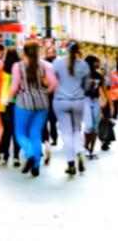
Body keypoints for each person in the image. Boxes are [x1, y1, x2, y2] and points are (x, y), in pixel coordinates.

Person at [9, 42, 58, 177]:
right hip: (42, 104)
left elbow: (14, 86)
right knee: (35, 133)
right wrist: (45, 93)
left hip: (23, 103)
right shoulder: (45, 65)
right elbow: (54, 83)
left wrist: (8, 99)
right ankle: (36, 166)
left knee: (20, 133)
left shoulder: (18, 66)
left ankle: (29, 153)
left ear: (24, 52)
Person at [52, 40, 91, 175]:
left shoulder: (57, 63)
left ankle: (70, 163)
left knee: (66, 133)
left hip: (61, 101)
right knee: (76, 129)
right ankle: (79, 151)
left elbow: (52, 81)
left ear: (66, 48)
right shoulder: (84, 65)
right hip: (78, 101)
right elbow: (86, 87)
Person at [83, 55, 109, 159]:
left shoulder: (99, 75)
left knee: (95, 126)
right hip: (86, 100)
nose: (98, 63)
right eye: (96, 62)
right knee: (89, 125)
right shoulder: (84, 75)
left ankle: (91, 149)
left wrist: (107, 103)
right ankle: (85, 145)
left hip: (96, 100)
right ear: (91, 62)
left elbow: (104, 89)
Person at [0, 48, 21, 166]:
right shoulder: (19, 70)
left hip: (4, 102)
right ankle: (17, 156)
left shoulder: (3, 70)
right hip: (18, 102)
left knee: (6, 129)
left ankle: (5, 153)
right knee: (17, 129)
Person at [43, 46, 59, 145]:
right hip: (45, 92)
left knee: (53, 118)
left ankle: (54, 137)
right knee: (44, 117)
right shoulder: (43, 64)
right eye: (49, 53)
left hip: (55, 93)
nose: (51, 55)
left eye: (52, 52)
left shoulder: (57, 63)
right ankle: (46, 139)